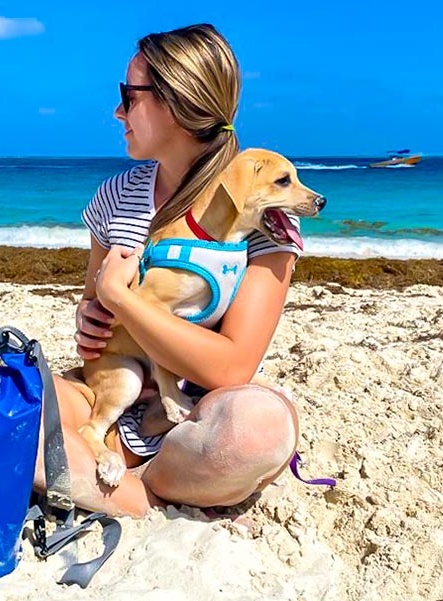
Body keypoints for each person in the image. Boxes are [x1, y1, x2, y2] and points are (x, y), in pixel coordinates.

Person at [34, 23, 302, 517]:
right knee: (6, 412)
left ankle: (142, 485)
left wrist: (121, 298)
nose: (118, 111)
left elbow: (230, 367)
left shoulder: (259, 208)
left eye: (129, 96)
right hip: (111, 398)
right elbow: (98, 313)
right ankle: (135, 487)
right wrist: (90, 316)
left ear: (177, 105)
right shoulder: (116, 198)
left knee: (256, 429)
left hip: (200, 416)